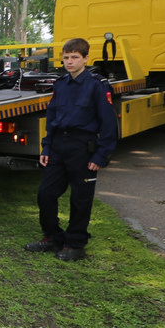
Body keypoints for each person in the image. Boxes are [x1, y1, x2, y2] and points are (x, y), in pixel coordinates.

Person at [24, 37, 118, 262]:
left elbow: (109, 124)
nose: (69, 61)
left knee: (80, 199)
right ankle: (53, 237)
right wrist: (47, 147)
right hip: (58, 146)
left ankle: (75, 244)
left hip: (82, 148)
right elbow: (52, 119)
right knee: (46, 193)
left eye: (75, 57)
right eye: (66, 57)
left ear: (86, 58)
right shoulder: (60, 84)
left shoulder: (97, 85)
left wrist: (101, 155)